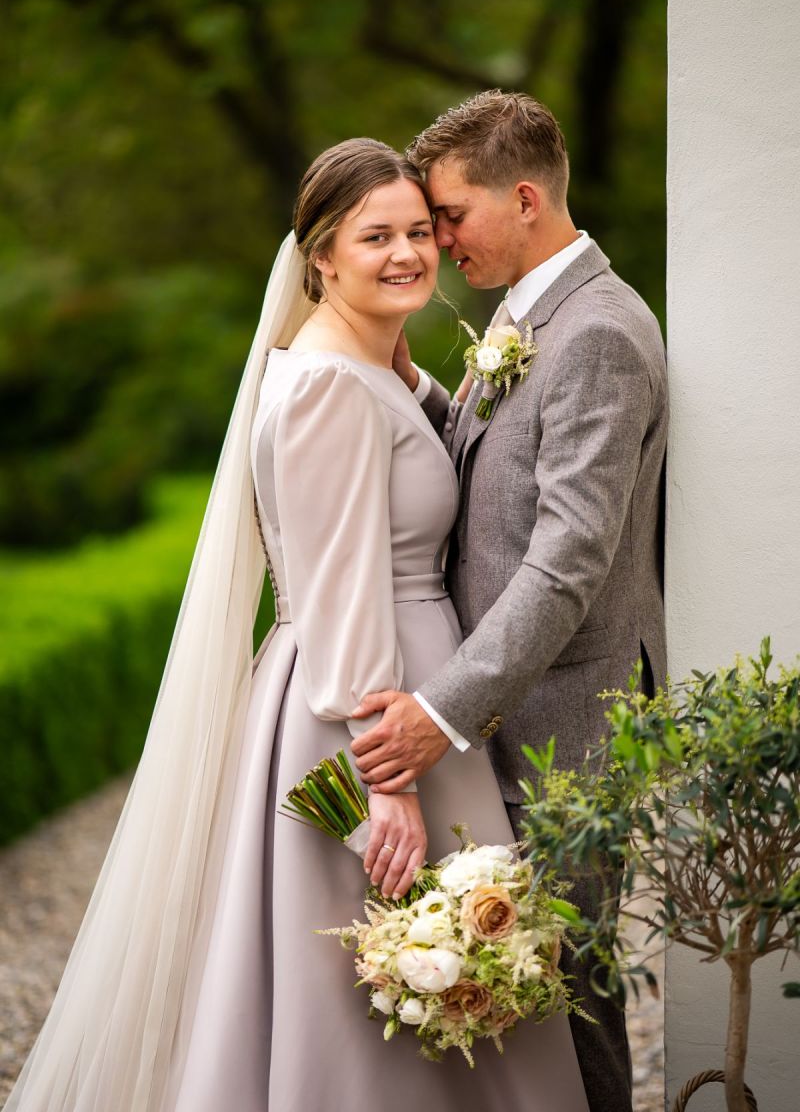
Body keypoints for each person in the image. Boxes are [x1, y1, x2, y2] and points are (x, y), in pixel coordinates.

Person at [4, 138, 589, 1112]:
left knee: (441, 973)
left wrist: (403, 358)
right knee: (374, 982)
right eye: (375, 237)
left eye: (417, 232)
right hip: (362, 709)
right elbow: (338, 593)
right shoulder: (324, 386)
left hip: (403, 689)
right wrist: (383, 786)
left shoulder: (373, 363)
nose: (405, 253)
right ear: (320, 257)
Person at [350, 91, 668, 1112]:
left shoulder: (595, 335)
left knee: (563, 999)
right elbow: (505, 475)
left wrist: (442, 710)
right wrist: (418, 392)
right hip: (521, 713)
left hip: (562, 721)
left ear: (523, 197)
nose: (436, 240)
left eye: (448, 215)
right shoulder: (534, 314)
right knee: (519, 995)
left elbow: (566, 561)